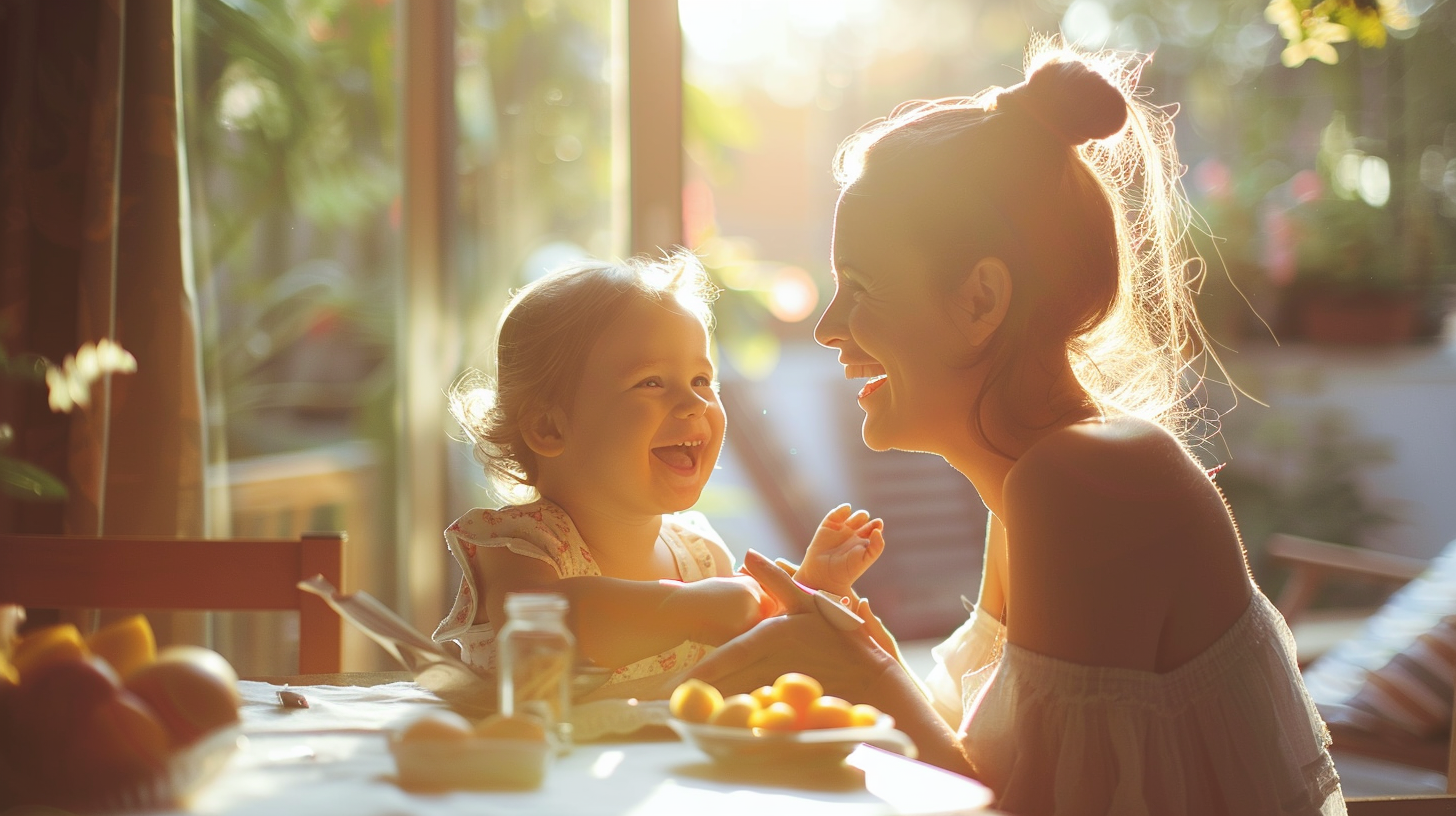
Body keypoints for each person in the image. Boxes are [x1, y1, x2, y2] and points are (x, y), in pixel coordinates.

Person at [689, 39, 1345, 816]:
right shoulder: (1037, 481)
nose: (831, 328)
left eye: (861, 287)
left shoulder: (1086, 483)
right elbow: (1005, 772)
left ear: (981, 302)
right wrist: (862, 654)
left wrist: (864, 671)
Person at [432, 252, 884, 692]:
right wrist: (687, 609)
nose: (694, 405)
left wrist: (807, 590)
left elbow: (755, 664)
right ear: (549, 427)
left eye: (702, 380)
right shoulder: (521, 547)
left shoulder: (700, 556)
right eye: (651, 382)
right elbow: (547, 630)